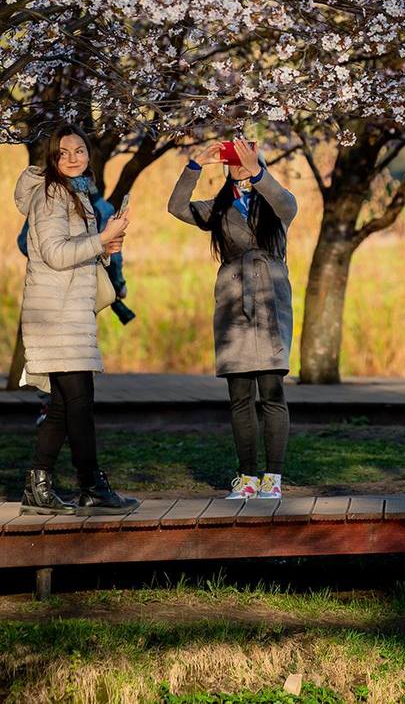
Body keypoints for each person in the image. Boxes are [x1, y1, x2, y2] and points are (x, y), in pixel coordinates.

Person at [14, 124, 140, 515]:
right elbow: (53, 253)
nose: (73, 157)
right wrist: (101, 240)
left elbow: (72, 254)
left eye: (80, 151)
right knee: (77, 403)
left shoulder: (76, 194)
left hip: (68, 313)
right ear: (52, 158)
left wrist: (104, 247)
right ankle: (90, 485)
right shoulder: (52, 195)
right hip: (56, 316)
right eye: (64, 152)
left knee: (66, 405)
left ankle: (47, 484)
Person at [168, 139, 298, 500]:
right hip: (232, 302)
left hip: (270, 302)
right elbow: (176, 207)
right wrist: (195, 164)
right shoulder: (219, 207)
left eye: (245, 158)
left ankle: (273, 476)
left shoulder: (275, 201)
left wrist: (256, 170)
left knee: (272, 390)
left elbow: (288, 204)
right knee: (239, 394)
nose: (238, 165)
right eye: (233, 159)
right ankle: (247, 476)